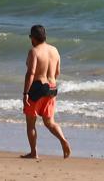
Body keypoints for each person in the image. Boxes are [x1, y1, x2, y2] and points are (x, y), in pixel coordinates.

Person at [21, 24, 70, 159]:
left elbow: (30, 73)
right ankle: (63, 139)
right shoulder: (55, 50)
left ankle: (33, 152)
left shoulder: (34, 51)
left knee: (31, 123)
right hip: (52, 88)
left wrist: (25, 93)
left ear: (33, 38)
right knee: (50, 122)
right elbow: (58, 72)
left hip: (38, 87)